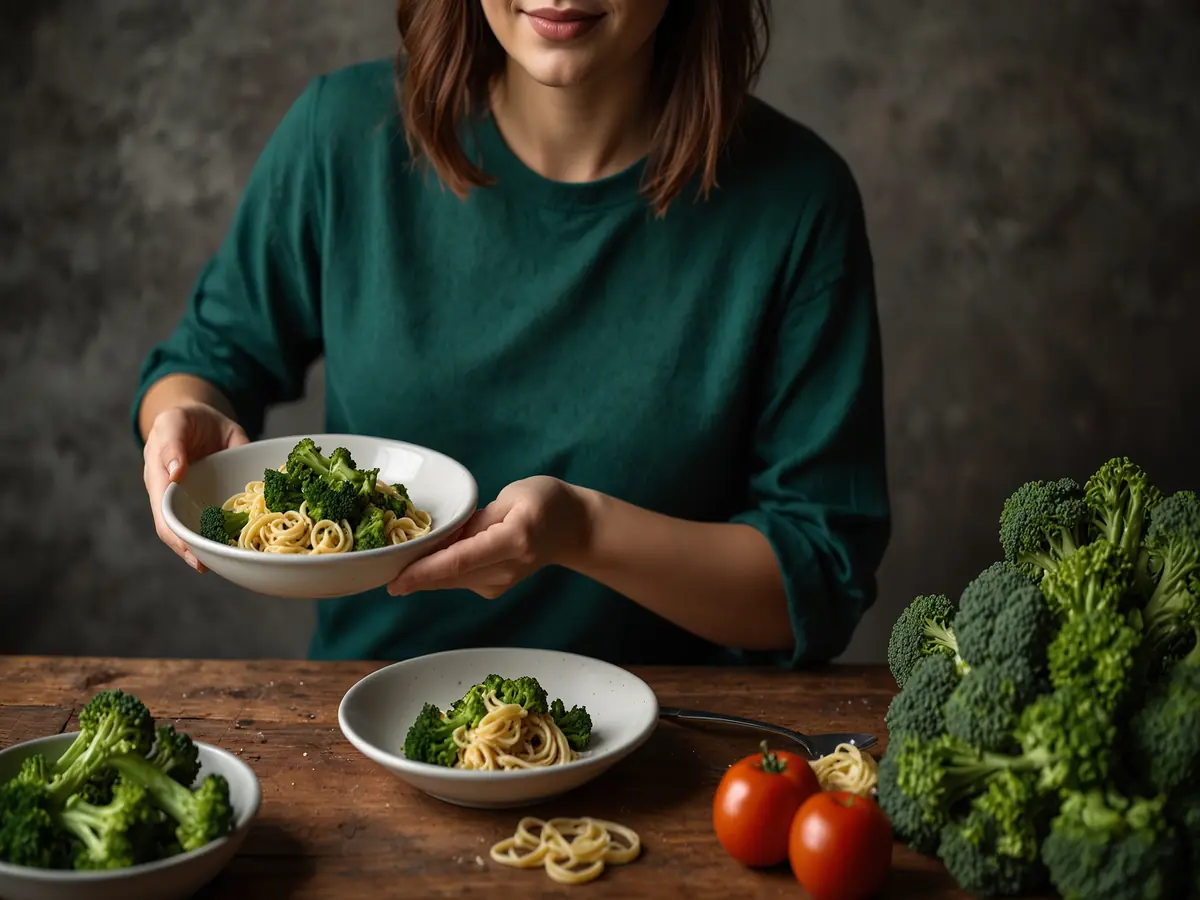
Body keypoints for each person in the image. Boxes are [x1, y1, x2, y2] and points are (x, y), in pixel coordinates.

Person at [132, 0, 891, 669]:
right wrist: (180, 422)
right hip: (363, 719)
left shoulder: (798, 202)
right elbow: (207, 360)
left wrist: (583, 532)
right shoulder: (341, 136)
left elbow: (819, 576)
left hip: (675, 750)